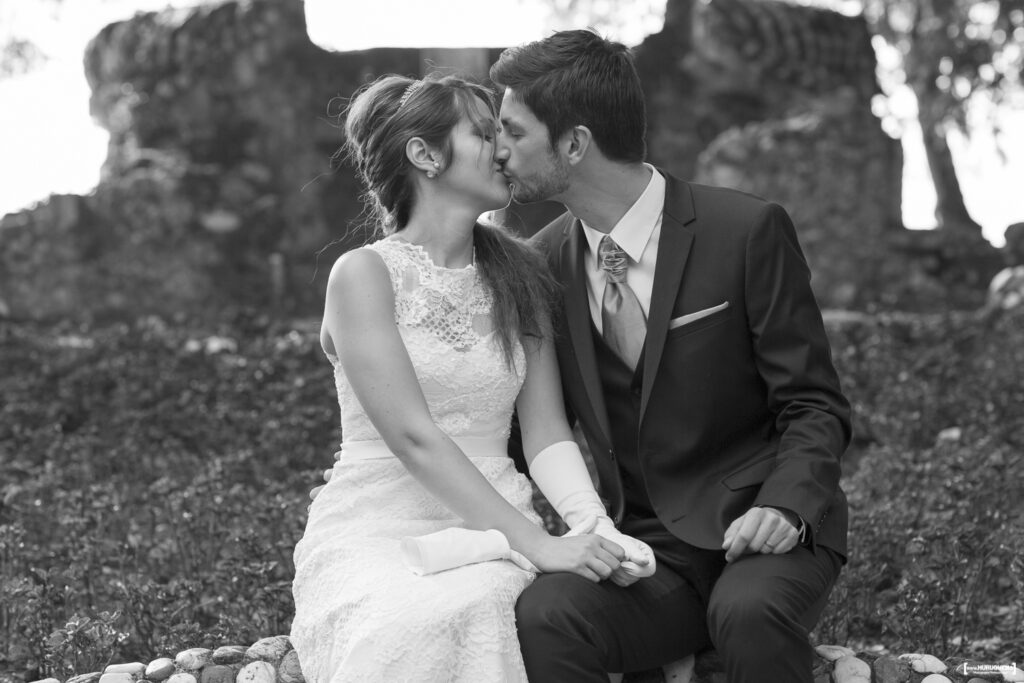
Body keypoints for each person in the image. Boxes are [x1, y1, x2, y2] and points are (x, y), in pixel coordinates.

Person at [489, 29, 853, 683]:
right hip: (648, 552)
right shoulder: (538, 263)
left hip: (766, 529)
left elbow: (813, 403)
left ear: (574, 143)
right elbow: (522, 432)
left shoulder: (746, 231)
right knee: (548, 613)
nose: (498, 149)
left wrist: (785, 506)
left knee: (747, 612)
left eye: (513, 131)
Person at [290, 73, 655, 683]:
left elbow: (545, 433)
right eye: (484, 134)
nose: (504, 150)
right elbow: (413, 437)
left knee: (488, 607)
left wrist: (593, 527)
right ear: (425, 154)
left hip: (498, 521)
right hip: (379, 523)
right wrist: (541, 546)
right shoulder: (363, 275)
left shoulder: (524, 276)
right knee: (399, 629)